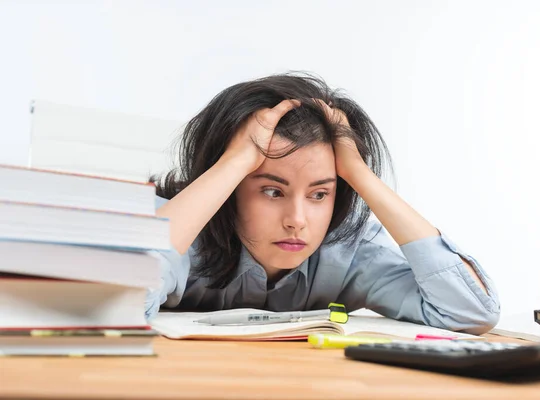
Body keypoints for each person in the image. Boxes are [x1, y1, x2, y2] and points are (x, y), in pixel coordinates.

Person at [146, 73, 500, 334]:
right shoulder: (176, 231)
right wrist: (234, 162)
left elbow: (469, 312)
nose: (297, 221)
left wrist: (360, 174)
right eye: (272, 191)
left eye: (319, 194)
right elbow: (113, 304)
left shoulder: (346, 251)